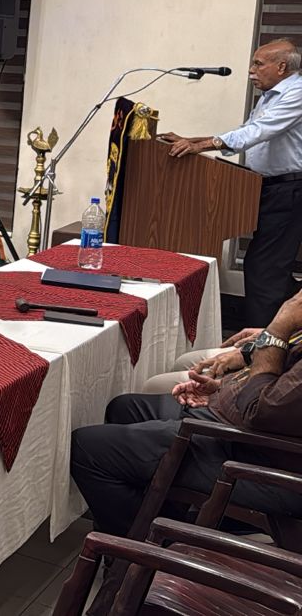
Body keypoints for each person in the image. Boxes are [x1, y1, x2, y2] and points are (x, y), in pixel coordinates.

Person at [70, 288, 302, 613]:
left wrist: (281, 324)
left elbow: (262, 412)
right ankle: (145, 536)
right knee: (125, 408)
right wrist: (225, 388)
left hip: (265, 458)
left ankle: (141, 563)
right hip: (256, 426)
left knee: (87, 448)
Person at [163, 40, 302, 329]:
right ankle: (287, 331)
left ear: (281, 67)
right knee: (267, 267)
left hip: (289, 190)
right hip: (268, 188)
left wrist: (201, 145)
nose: (251, 70)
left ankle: (261, 344)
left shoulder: (297, 93)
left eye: (258, 64)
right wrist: (193, 141)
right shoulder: (270, 96)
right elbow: (244, 132)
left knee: (266, 269)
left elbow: (259, 132)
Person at [141, 327, 264, 394]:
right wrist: (266, 334)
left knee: (154, 386)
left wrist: (249, 355)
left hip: (265, 378)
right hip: (266, 350)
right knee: (183, 362)